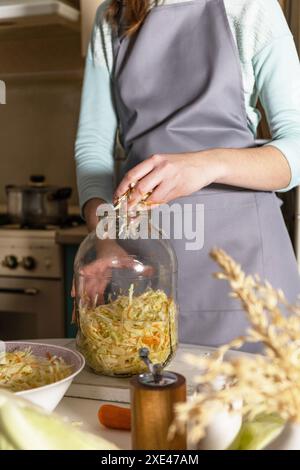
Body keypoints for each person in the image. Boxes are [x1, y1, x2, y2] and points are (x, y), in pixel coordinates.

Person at [75, 0, 300, 349]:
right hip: (144, 268)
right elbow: (93, 148)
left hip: (247, 267)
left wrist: (208, 164)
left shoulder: (250, 6)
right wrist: (104, 238)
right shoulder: (112, 16)